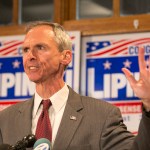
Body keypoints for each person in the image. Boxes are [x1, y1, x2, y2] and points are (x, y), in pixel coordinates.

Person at [0, 21, 150, 150]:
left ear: (65, 57)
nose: (30, 56)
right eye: (26, 49)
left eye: (40, 47)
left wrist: (149, 102)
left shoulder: (101, 116)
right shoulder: (6, 119)